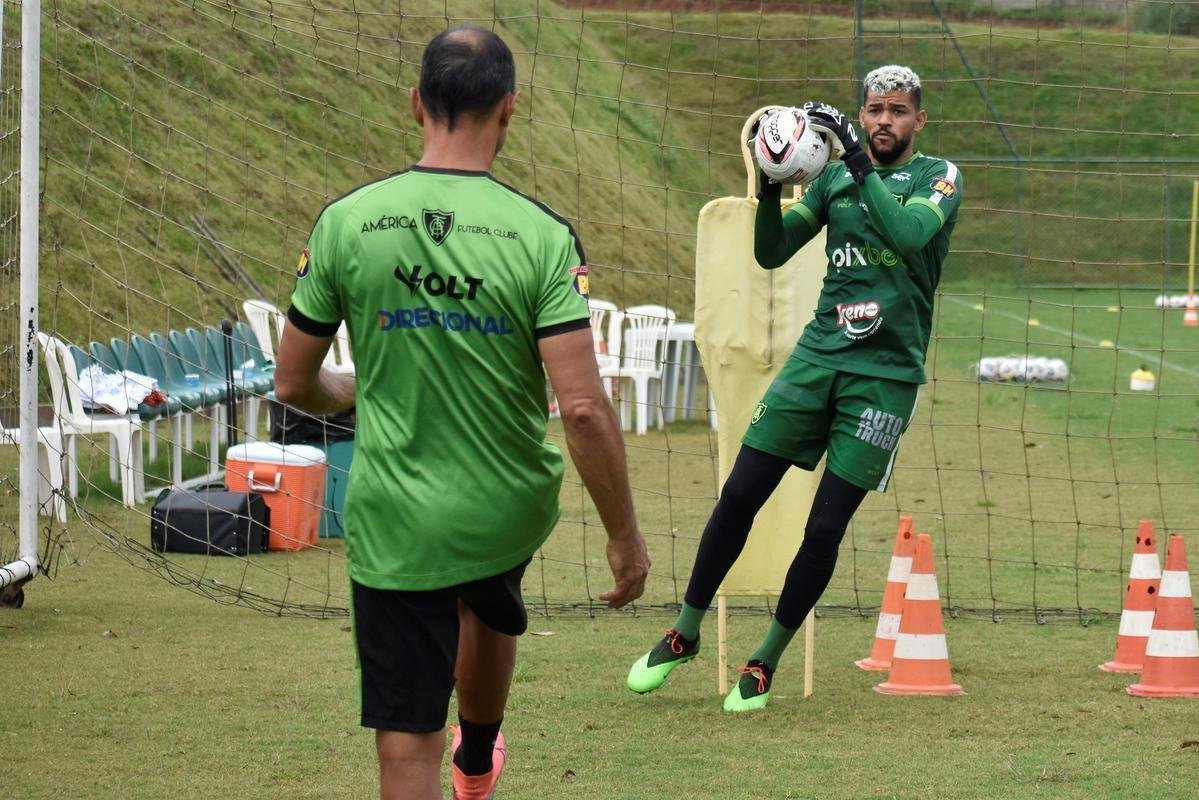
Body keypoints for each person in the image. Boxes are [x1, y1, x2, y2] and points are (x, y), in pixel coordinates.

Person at [274, 26, 650, 800]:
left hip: (394, 516)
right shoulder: (543, 236)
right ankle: (476, 757)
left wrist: (350, 392)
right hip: (503, 504)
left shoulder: (347, 220)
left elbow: (291, 384)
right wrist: (623, 535)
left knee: (405, 742)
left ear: (416, 104)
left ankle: (452, 751)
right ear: (508, 110)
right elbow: (581, 407)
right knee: (486, 597)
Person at [625, 65, 962, 711]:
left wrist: (859, 163)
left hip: (884, 378)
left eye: (896, 110)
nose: (883, 120)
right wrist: (771, 185)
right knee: (738, 495)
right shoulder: (830, 177)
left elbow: (909, 233)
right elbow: (772, 253)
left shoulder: (936, 177)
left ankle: (763, 661)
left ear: (918, 119)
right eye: (872, 110)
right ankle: (683, 632)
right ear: (860, 115)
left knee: (823, 527)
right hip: (815, 359)